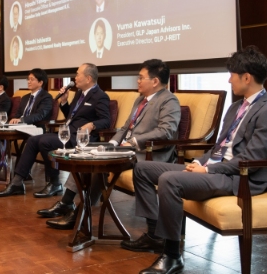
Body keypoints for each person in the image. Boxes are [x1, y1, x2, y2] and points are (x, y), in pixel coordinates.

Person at [122, 46, 267, 274]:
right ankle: (155, 234)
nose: (229, 80)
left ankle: (171, 256)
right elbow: (219, 147)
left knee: (169, 179)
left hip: (240, 179)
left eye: (232, 75)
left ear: (247, 78)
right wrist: (200, 162)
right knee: (143, 169)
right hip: (217, 168)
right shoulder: (236, 107)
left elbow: (252, 159)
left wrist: (209, 170)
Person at [41, 59, 181, 230]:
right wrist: (112, 143)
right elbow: (125, 127)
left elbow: (166, 131)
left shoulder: (169, 100)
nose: (137, 81)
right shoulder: (140, 100)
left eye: (140, 77)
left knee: (98, 165)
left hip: (147, 153)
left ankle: (77, 214)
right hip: (125, 149)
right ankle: (73, 207)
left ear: (155, 81)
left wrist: (134, 141)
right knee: (87, 155)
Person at [0, 63, 110, 197]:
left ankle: (55, 183)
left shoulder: (100, 96)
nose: (75, 77)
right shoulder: (80, 93)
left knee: (45, 142)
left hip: (80, 138)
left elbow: (106, 120)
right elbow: (71, 116)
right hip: (67, 133)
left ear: (88, 78)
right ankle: (17, 183)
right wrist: (64, 102)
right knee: (33, 140)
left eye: (78, 74)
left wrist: (92, 125)